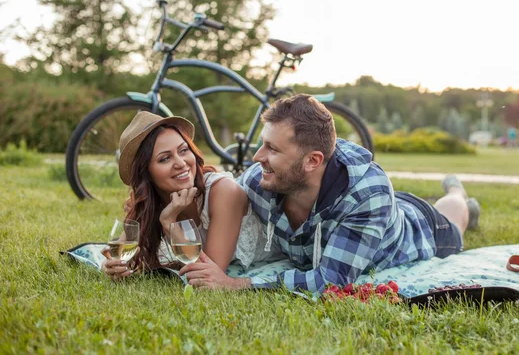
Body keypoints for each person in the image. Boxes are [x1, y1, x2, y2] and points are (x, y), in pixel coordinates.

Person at [180, 94, 481, 293]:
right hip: (374, 215)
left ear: (312, 161)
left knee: (452, 216)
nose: (257, 157)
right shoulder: (265, 178)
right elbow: (216, 202)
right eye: (263, 143)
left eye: (272, 148)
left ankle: (457, 191)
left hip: (422, 230)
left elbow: (329, 281)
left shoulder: (368, 194)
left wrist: (237, 284)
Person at [102, 111, 281, 282]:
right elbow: (120, 252)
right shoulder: (149, 201)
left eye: (183, 150)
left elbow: (208, 272)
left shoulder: (224, 192)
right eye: (165, 159)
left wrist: (169, 221)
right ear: (146, 173)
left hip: (279, 260)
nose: (181, 163)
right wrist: (112, 266)